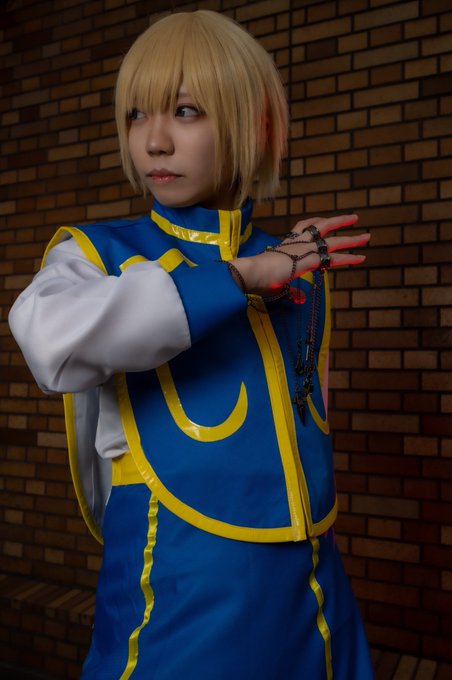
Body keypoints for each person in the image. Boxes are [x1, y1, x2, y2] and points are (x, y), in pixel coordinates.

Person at [9, 10, 374, 680]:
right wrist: (236, 278)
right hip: (177, 593)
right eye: (136, 115)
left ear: (254, 124)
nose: (153, 141)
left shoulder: (296, 266)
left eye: (184, 112)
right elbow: (48, 339)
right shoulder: (97, 252)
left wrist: (275, 268)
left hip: (316, 596)